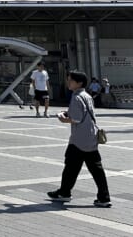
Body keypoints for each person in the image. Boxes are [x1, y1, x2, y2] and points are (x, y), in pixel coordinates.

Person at [47, 70, 111, 208]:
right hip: (91, 137)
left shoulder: (76, 97)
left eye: (70, 80)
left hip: (79, 139)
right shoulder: (87, 96)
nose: (68, 82)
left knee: (71, 166)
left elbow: (75, 118)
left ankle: (64, 193)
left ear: (79, 83)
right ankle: (104, 197)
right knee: (96, 169)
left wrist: (62, 118)